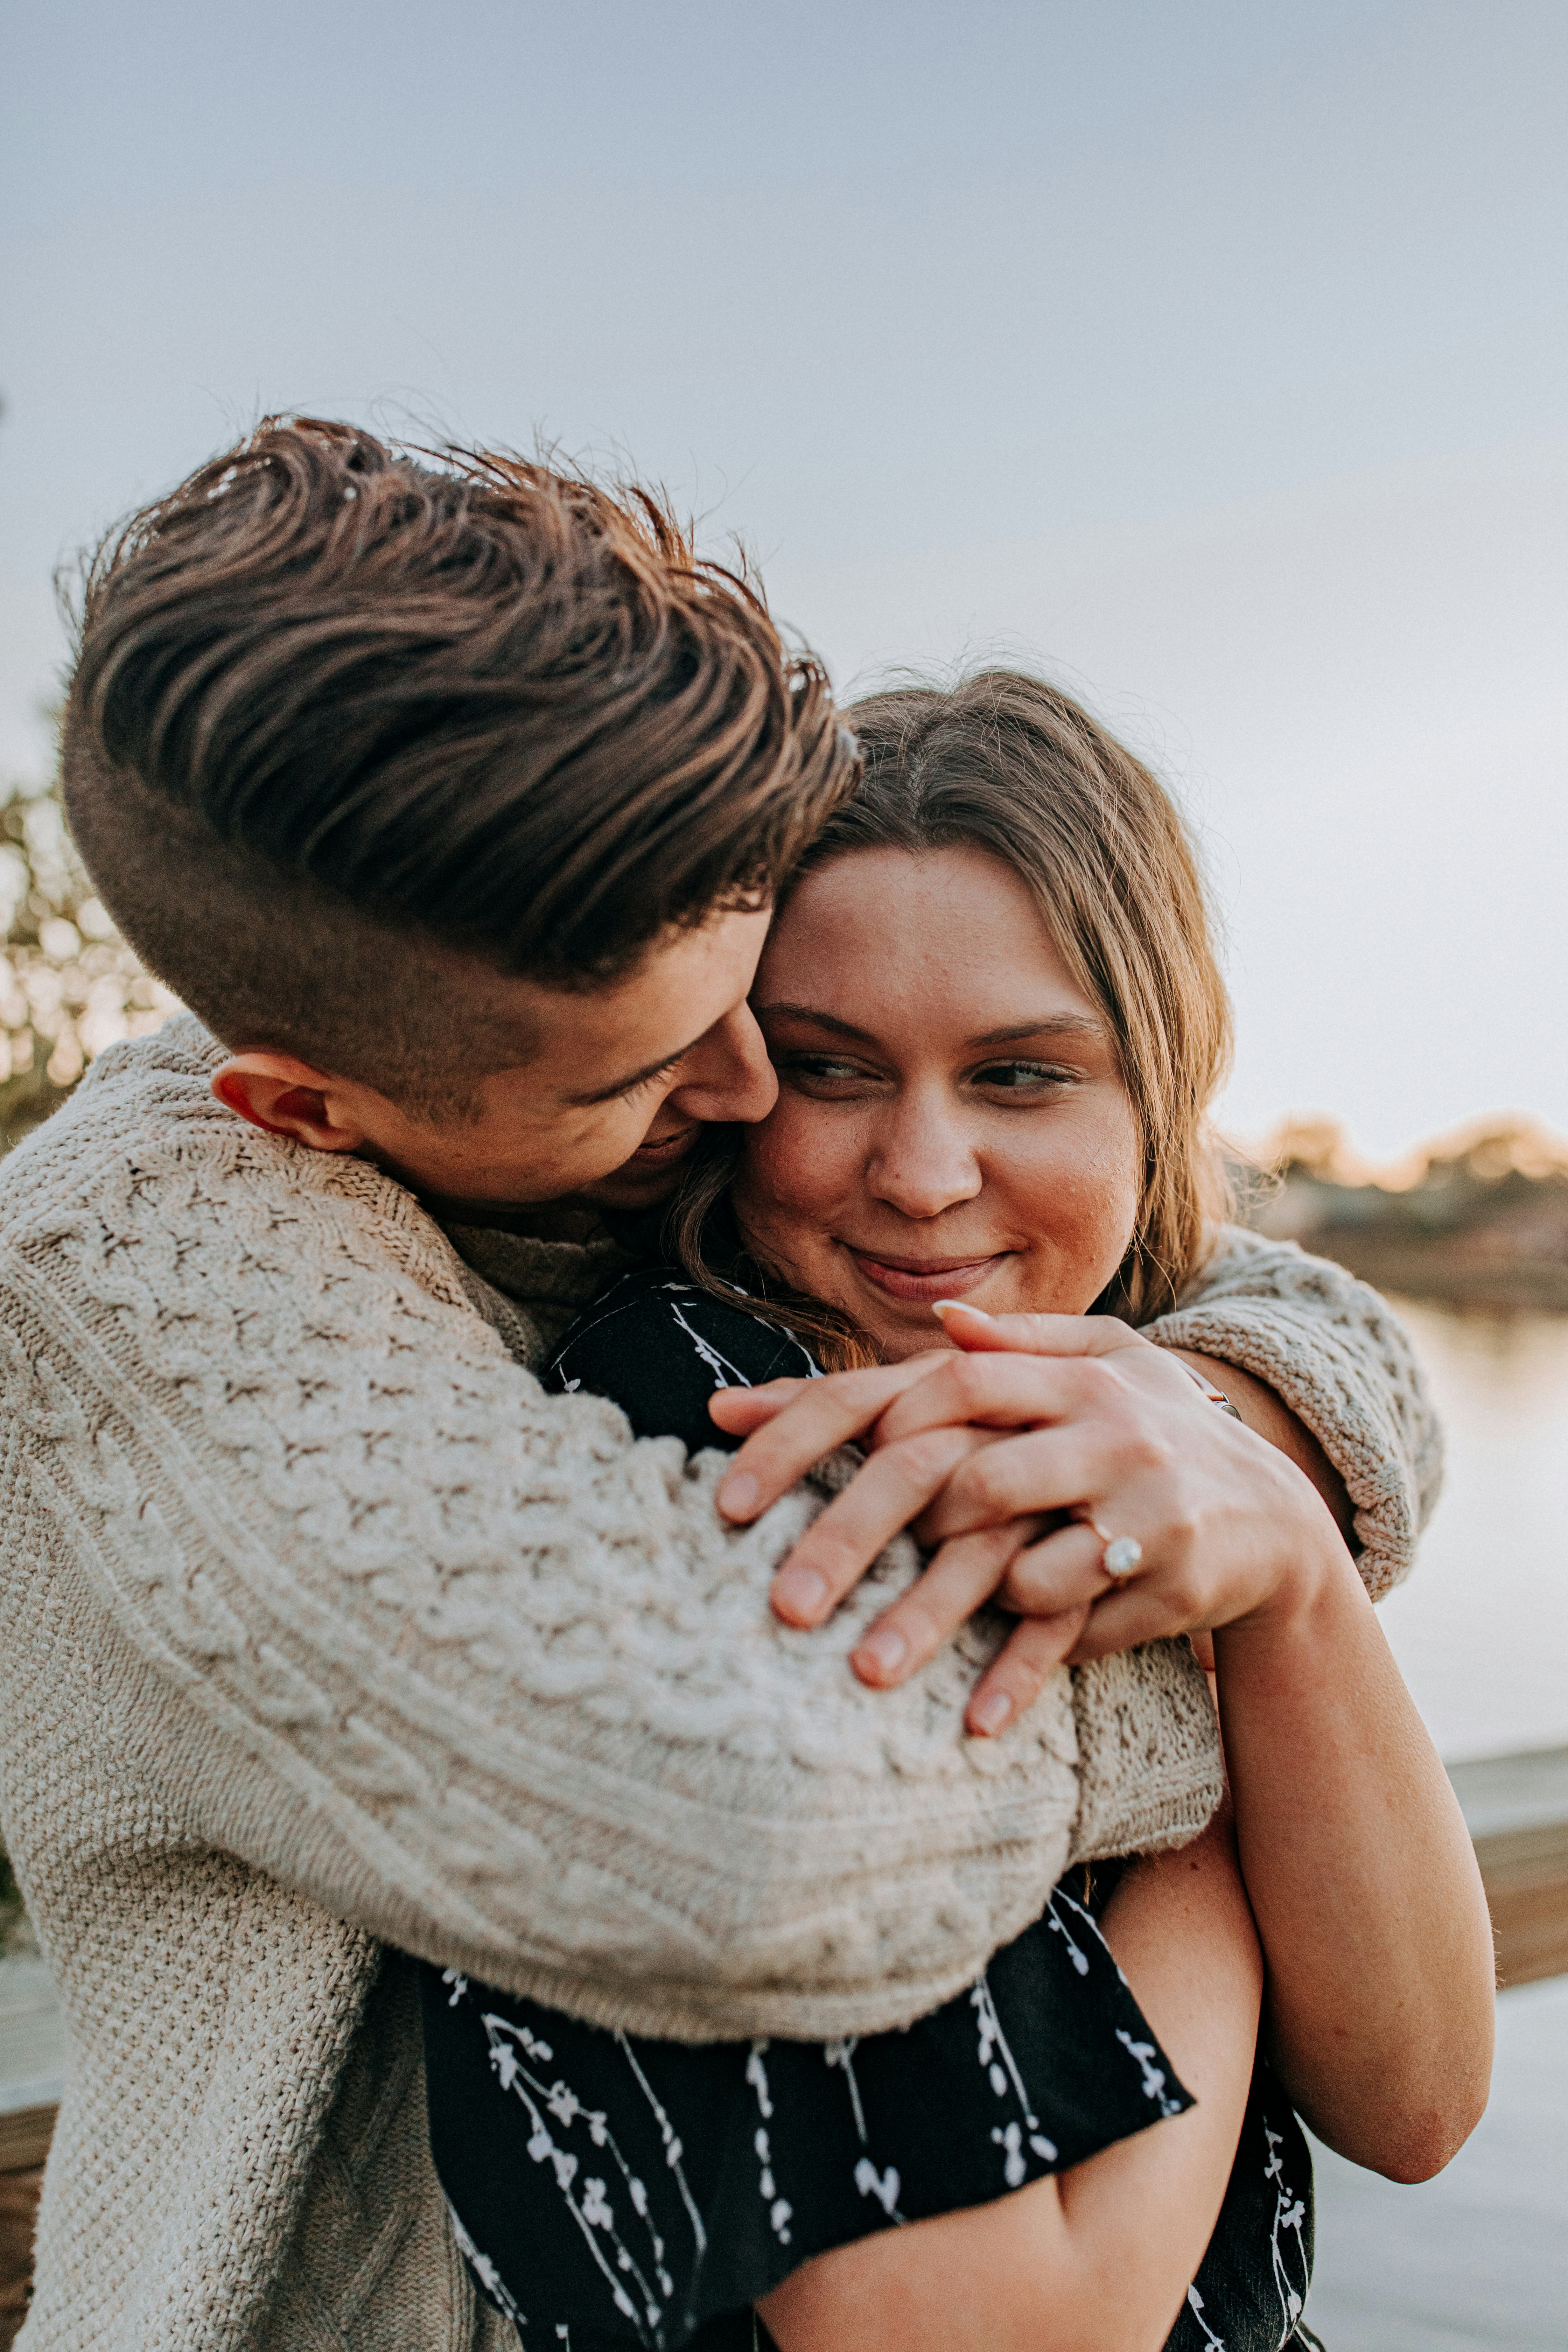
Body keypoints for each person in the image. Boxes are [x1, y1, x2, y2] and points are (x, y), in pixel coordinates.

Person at [0, 421, 1455, 2352]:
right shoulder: (277, 1292)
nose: (801, 1124)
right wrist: (1201, 1662)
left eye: (1027, 1075)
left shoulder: (1094, 1395)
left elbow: (1421, 2105)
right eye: (793, 1057)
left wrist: (1265, 1486)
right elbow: (757, 1824)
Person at [425, 672, 1493, 2350]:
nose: (922, 1175)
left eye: (1017, 1077)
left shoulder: (1158, 1407)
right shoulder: (697, 1430)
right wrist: (1215, 1805)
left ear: (1159, 1095)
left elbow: (1419, 2103)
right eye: (832, 1072)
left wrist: (1289, 1575)